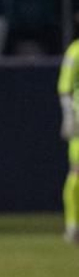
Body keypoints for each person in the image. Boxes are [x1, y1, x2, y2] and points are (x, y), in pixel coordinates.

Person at [58, 35, 79, 242]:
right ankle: (73, 225)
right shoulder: (75, 51)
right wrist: (69, 116)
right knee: (77, 173)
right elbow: (65, 87)